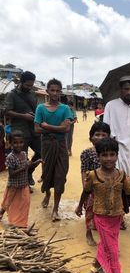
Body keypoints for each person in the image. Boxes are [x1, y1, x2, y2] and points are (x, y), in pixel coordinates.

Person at [76, 137, 130, 273]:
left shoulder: (122, 175)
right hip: (101, 216)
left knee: (106, 244)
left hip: (117, 217)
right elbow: (86, 192)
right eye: (104, 155)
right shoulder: (93, 175)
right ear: (99, 156)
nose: (109, 158)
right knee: (113, 252)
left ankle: (96, 265)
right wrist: (79, 206)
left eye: (112, 154)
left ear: (117, 155)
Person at [34, 78, 72, 221]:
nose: (55, 93)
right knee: (47, 172)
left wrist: (47, 126)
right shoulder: (41, 108)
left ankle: (55, 208)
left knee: (60, 176)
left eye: (57, 90)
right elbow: (36, 129)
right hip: (47, 146)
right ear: (47, 91)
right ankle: (47, 194)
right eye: (52, 90)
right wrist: (57, 128)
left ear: (60, 92)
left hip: (61, 146)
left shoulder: (65, 109)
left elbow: (66, 129)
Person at [103, 75, 130, 191]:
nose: (129, 92)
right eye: (126, 89)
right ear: (120, 89)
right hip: (116, 150)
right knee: (115, 183)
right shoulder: (110, 105)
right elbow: (105, 129)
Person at [5, 71, 41, 188]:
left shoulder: (32, 94)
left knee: (41, 152)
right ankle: (24, 182)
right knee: (22, 158)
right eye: (27, 85)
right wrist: (23, 116)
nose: (29, 87)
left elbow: (36, 109)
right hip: (20, 132)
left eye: (31, 85)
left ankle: (29, 172)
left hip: (33, 130)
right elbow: (6, 111)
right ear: (21, 82)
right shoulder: (12, 94)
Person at [0, 131, 41, 227]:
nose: (18, 145)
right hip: (14, 185)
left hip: (24, 185)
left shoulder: (24, 154)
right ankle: (2, 212)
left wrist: (36, 162)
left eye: (21, 142)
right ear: (10, 144)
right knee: (8, 202)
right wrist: (24, 168)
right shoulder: (10, 157)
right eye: (15, 143)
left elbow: (28, 164)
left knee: (25, 203)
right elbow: (11, 174)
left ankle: (21, 222)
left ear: (23, 142)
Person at [80, 121, 111, 246]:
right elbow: (84, 171)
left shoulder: (110, 153)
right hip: (92, 187)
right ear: (91, 137)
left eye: (104, 135)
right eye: (97, 135)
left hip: (107, 187)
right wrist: (85, 188)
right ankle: (88, 234)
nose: (100, 138)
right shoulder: (86, 153)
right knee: (89, 210)